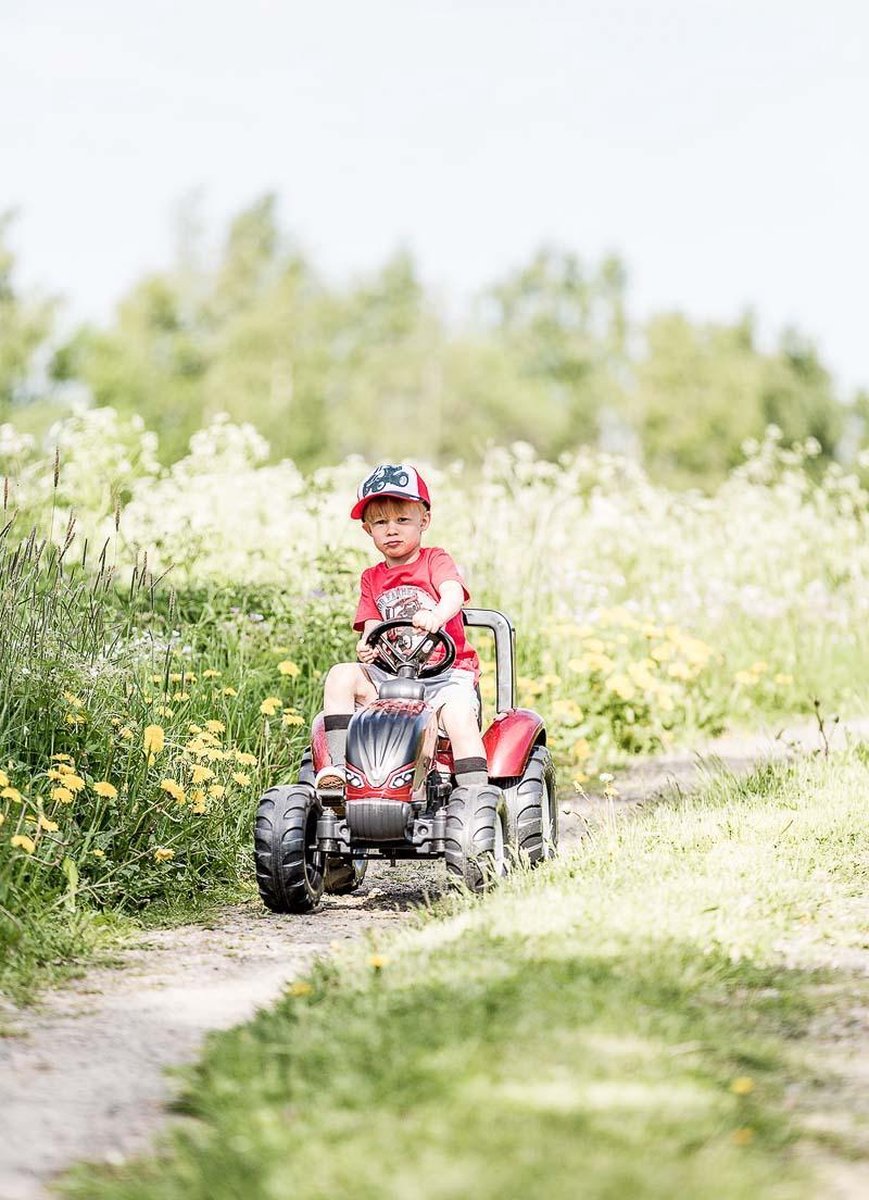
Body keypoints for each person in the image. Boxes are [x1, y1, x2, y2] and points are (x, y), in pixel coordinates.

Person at [315, 463, 488, 793]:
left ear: (423, 521)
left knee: (459, 718)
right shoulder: (371, 577)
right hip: (391, 678)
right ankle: (338, 772)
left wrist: (437, 615)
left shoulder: (434, 559)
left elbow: (452, 592)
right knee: (341, 674)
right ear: (368, 530)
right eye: (381, 522)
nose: (391, 529)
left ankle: (475, 798)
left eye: (402, 520)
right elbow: (371, 625)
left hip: (445, 676)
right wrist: (367, 646)